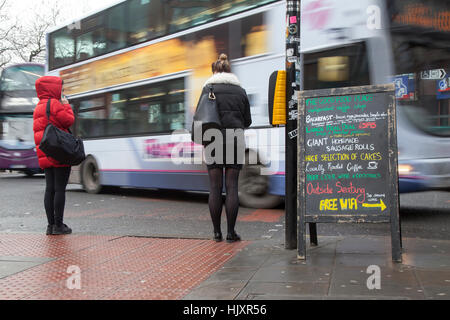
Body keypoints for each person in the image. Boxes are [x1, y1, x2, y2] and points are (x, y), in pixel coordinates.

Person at [200, 54, 252, 243]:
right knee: (232, 187)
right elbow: (248, 121)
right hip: (235, 139)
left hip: (212, 139)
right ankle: (231, 233)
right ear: (230, 71)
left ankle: (216, 233)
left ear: (214, 71)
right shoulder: (241, 92)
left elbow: (200, 117)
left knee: (215, 187)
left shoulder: (208, 88)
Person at [33, 76, 75, 235]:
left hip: (45, 152)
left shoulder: (38, 106)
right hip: (59, 152)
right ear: (53, 88)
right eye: (61, 89)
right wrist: (67, 105)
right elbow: (68, 121)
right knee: (59, 189)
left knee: (49, 189)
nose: (62, 92)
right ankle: (59, 225)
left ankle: (50, 226)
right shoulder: (55, 103)